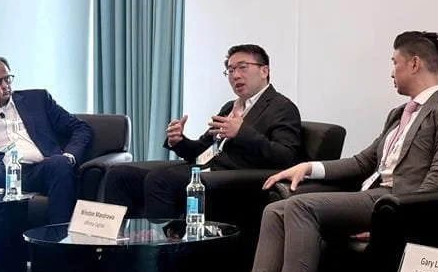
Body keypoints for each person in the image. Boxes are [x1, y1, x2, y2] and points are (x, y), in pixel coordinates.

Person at [237, 31, 438, 272]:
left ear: (414, 63)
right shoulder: (398, 114)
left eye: (395, 63)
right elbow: (364, 162)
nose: (391, 72)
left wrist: (397, 217)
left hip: (394, 203)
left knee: (299, 206)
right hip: (372, 197)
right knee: (276, 209)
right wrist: (308, 167)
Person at [103, 44, 302, 217]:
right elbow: (202, 151)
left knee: (160, 180)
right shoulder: (229, 107)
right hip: (204, 170)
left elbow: (285, 157)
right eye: (230, 70)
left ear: (264, 71)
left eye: (242, 67)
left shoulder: (281, 107)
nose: (235, 75)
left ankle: (161, 256)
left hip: (235, 180)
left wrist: (242, 132)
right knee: (119, 175)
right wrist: (179, 141)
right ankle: (119, 249)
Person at [0, 55, 93, 224]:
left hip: (39, 168)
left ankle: (58, 237)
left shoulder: (38, 99)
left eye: (7, 79)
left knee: (60, 163)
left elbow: (81, 128)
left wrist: (69, 155)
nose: (5, 86)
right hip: (0, 171)